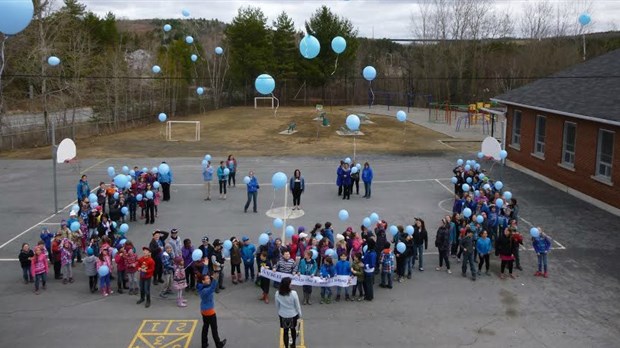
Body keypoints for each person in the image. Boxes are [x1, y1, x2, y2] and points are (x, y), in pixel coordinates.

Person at [198, 263, 227, 348]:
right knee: (214, 329)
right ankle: (218, 344)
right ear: (203, 281)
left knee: (205, 327)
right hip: (209, 311)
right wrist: (214, 279)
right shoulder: (206, 290)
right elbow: (212, 288)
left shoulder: (200, 286)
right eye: (207, 279)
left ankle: (204, 344)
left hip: (203, 310)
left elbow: (203, 275)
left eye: (208, 278)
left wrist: (206, 266)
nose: (208, 279)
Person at [275, 277, 302, 348]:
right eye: (290, 283)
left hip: (283, 315)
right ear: (287, 285)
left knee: (285, 331)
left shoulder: (277, 293)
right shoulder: (294, 293)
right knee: (293, 330)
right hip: (293, 315)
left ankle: (286, 346)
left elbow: (277, 306)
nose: (291, 284)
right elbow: (297, 306)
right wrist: (300, 314)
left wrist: (279, 312)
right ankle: (293, 345)